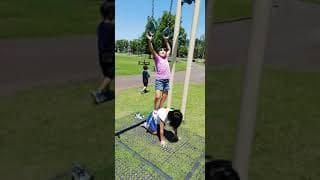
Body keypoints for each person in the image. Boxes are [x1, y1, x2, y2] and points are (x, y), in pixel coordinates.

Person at [91, 1, 115, 104]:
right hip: (109, 54)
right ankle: (99, 91)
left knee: (106, 73)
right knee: (110, 75)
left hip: (101, 54)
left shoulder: (100, 25)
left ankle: (107, 92)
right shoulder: (111, 27)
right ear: (110, 13)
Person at [146, 33, 171, 116]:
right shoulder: (157, 58)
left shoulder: (166, 58)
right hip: (159, 80)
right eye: (161, 50)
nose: (163, 51)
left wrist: (166, 40)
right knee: (158, 96)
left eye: (164, 50)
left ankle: (160, 109)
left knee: (164, 97)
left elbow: (169, 49)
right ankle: (155, 109)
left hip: (166, 80)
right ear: (158, 52)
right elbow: (152, 49)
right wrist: (150, 41)